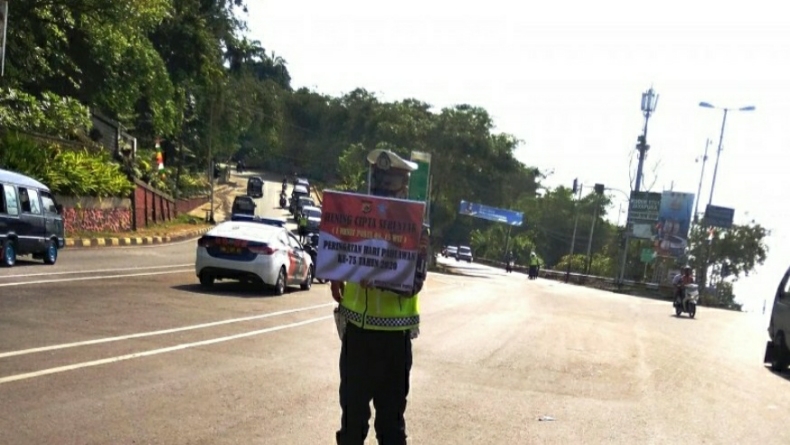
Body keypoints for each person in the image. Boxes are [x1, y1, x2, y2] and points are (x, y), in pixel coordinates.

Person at [332, 148, 428, 445]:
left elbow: (415, 282)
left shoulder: (416, 228)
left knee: (390, 427)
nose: (383, 187)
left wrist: (383, 280)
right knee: (351, 425)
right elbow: (340, 253)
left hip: (393, 341)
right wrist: (335, 271)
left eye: (390, 182)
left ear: (404, 185)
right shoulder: (355, 219)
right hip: (357, 335)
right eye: (379, 179)